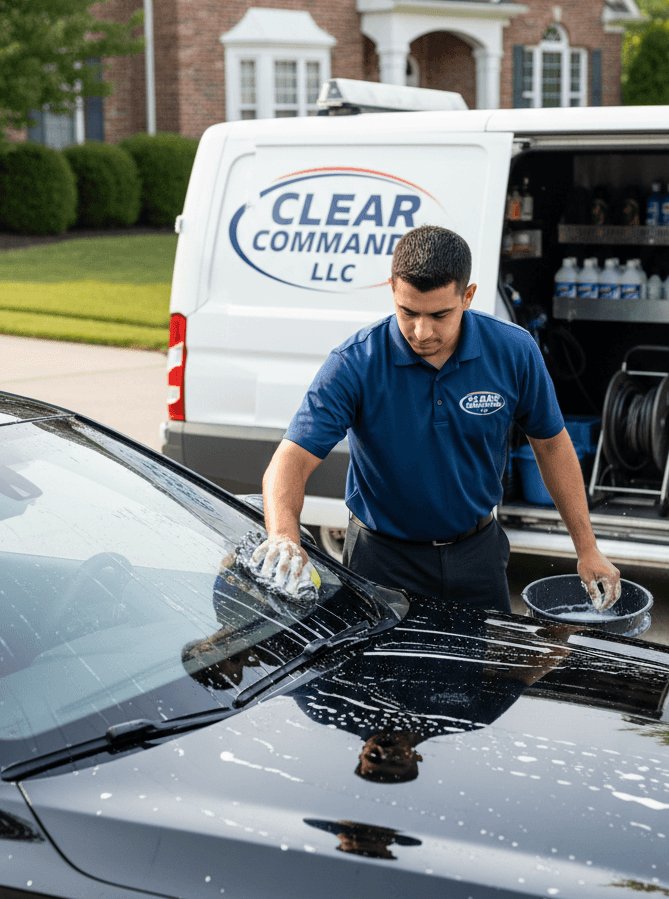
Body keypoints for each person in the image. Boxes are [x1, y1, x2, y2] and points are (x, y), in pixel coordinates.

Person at [257, 225, 620, 613]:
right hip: (382, 561)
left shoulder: (514, 351)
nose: (421, 331)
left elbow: (551, 445)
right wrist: (283, 536)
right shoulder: (355, 364)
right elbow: (290, 460)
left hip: (478, 557)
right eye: (407, 312)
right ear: (392, 288)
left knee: (486, 673)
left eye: (439, 315)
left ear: (468, 296)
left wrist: (587, 548)